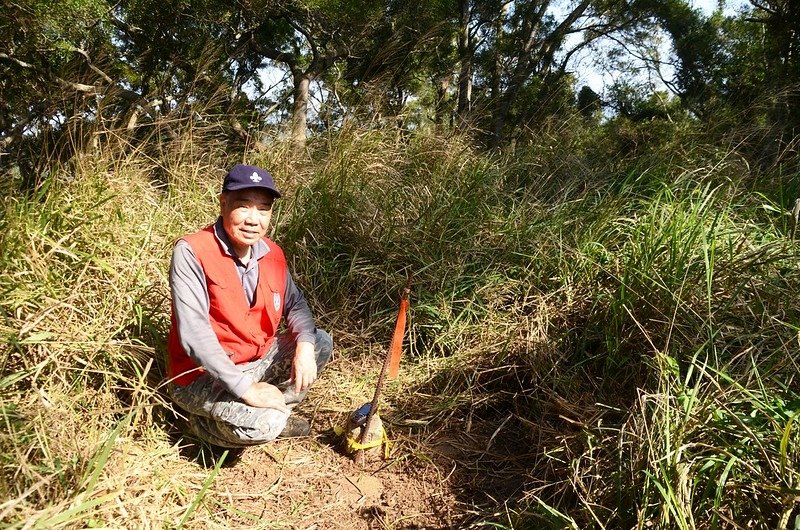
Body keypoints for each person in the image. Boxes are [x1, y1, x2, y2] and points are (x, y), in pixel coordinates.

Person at [166, 163, 332, 448]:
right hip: (200, 376)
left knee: (319, 341)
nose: (253, 219)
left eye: (263, 209)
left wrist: (304, 347)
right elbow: (194, 336)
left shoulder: (272, 253)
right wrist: (247, 390)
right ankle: (200, 426)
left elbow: (296, 304)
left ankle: (274, 408)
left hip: (254, 361)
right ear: (223, 203)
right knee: (265, 426)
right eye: (244, 206)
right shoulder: (192, 251)